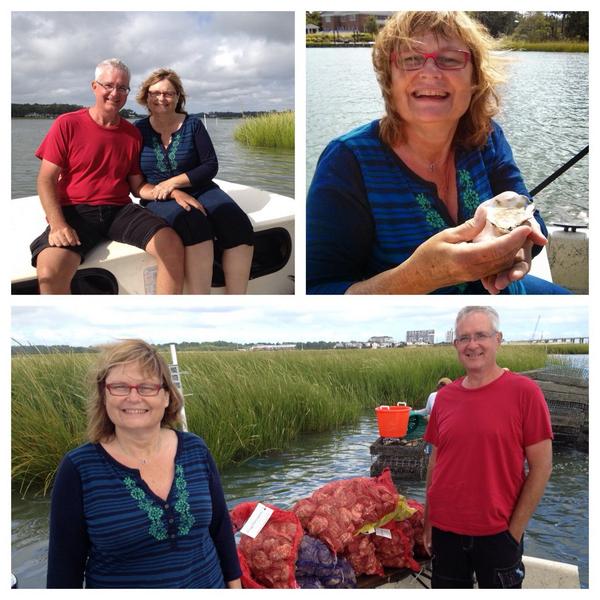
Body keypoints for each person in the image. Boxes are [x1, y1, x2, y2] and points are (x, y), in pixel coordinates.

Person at [306, 11, 570, 295]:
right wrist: (418, 277)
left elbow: (533, 219)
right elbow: (318, 290)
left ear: (474, 79)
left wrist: (521, 227)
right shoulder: (347, 161)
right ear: (389, 80)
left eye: (451, 59)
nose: (430, 72)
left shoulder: (488, 136)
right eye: (411, 59)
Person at [46, 339, 242, 588]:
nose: (133, 397)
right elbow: (64, 572)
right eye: (119, 387)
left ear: (167, 397)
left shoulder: (195, 449)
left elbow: (220, 529)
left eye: (147, 387)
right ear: (104, 396)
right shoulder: (79, 468)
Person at [422, 306, 553, 588]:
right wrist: (428, 520)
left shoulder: (525, 392)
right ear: (456, 344)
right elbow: (435, 462)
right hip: (446, 531)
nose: (472, 345)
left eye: (481, 335)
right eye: (464, 338)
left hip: (498, 534)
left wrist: (513, 532)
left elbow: (542, 467)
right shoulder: (445, 398)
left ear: (498, 339)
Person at [30, 58, 184, 294]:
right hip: (75, 210)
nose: (115, 93)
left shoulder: (132, 133)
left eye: (122, 88)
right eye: (108, 85)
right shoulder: (67, 124)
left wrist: (170, 190)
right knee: (50, 273)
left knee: (171, 245)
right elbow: (46, 179)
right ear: (94, 86)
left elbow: (137, 187)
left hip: (119, 210)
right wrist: (58, 224)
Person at [131, 68, 254, 294]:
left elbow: (210, 165)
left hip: (201, 188)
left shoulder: (193, 125)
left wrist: (174, 183)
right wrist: (170, 192)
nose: (161, 98)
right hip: (158, 196)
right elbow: (137, 185)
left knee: (237, 223)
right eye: (155, 93)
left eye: (168, 93)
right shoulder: (137, 131)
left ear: (178, 96)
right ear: (146, 96)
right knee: (193, 223)